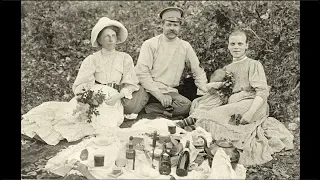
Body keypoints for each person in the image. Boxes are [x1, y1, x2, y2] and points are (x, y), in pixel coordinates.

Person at [21, 17, 141, 145]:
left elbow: (131, 83)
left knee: (108, 123)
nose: (111, 39)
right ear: (99, 40)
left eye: (113, 35)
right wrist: (88, 97)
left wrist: (119, 96)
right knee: (74, 117)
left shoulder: (125, 58)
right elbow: (81, 85)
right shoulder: (92, 60)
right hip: (94, 94)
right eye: (106, 36)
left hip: (113, 98)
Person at [186, 29, 294, 165]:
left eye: (240, 44)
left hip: (252, 103)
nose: (236, 47)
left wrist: (250, 113)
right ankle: (197, 130)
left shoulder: (254, 64)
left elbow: (261, 92)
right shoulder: (227, 68)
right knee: (197, 103)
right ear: (228, 46)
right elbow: (224, 90)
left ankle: (201, 129)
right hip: (234, 104)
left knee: (212, 115)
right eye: (233, 44)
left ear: (246, 46)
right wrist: (213, 87)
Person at [134, 7, 208, 118]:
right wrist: (160, 96)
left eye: (175, 25)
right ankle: (156, 111)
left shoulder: (185, 47)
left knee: (186, 105)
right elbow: (142, 73)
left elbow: (198, 71)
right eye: (169, 24)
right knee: (132, 107)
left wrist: (205, 95)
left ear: (180, 27)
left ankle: (150, 110)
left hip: (169, 92)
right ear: (162, 25)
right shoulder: (150, 44)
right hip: (148, 89)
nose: (172, 28)